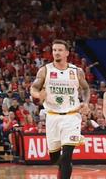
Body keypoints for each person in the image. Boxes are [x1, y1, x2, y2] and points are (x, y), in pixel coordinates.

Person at [29, 39, 91, 179]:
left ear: (67, 53)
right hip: (52, 116)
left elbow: (86, 88)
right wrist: (38, 95)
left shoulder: (76, 71)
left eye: (60, 50)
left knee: (67, 155)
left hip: (71, 116)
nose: (56, 52)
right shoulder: (45, 70)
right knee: (55, 158)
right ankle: (62, 168)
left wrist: (86, 102)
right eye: (54, 50)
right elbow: (33, 88)